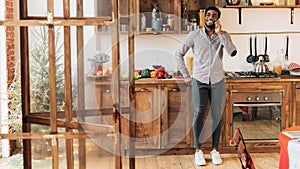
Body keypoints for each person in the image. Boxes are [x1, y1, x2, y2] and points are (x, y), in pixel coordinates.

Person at [175, 6, 237, 166]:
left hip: (217, 80)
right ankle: (198, 150)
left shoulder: (223, 35)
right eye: (208, 15)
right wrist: (186, 76)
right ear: (204, 17)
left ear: (218, 19)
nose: (211, 17)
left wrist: (221, 34)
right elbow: (179, 54)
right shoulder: (194, 35)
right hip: (199, 80)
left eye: (214, 15)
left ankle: (215, 150)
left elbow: (232, 52)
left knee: (217, 115)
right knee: (199, 113)